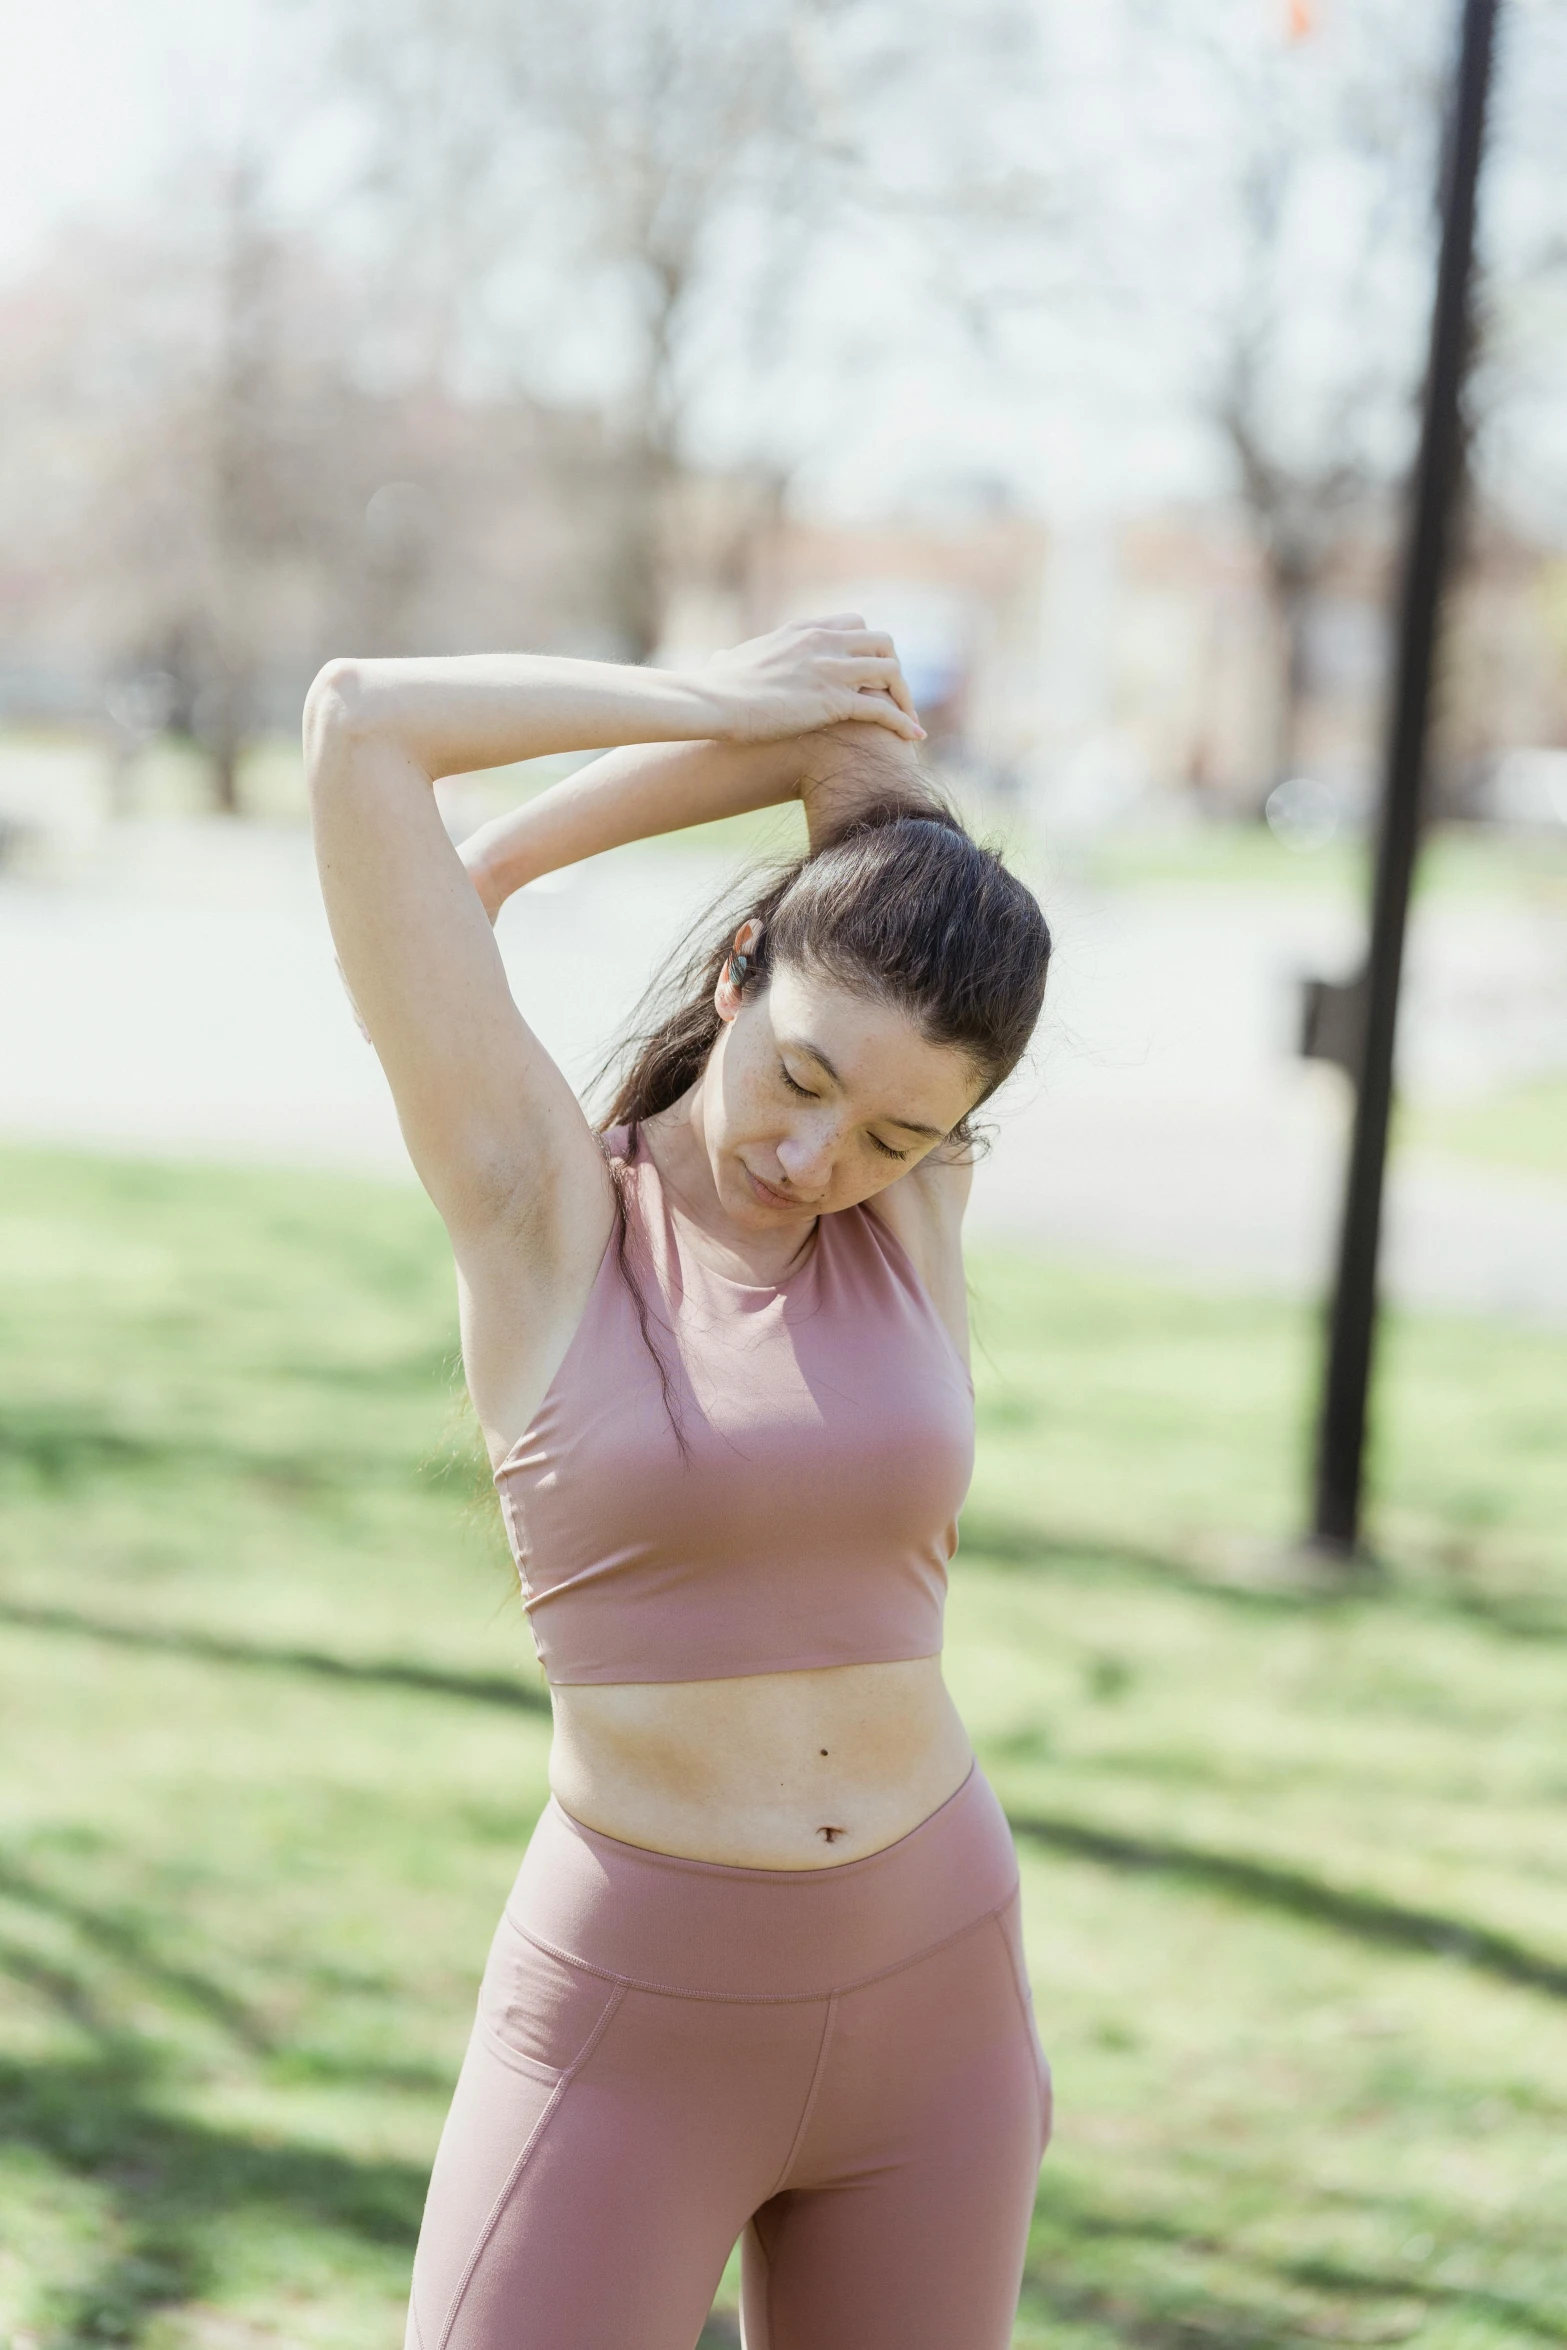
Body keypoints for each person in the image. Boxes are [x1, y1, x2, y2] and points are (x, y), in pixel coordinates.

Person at [303, 615, 1054, 2350]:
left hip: (935, 1987)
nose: (817, 1159)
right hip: (634, 2017)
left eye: (895, 1136)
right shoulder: (541, 1204)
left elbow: (853, 744)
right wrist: (706, 712)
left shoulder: (904, 1215)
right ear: (735, 970)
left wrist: (499, 861)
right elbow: (361, 724)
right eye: (798, 1076)